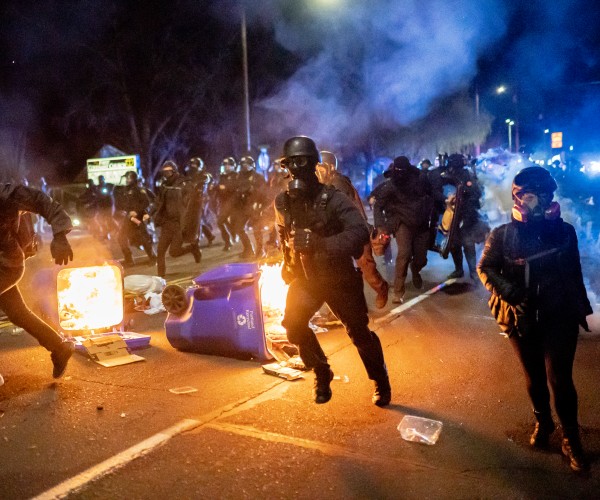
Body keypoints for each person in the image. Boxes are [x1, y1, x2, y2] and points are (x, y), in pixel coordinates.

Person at [478, 166, 593, 473]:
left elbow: (574, 272)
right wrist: (510, 292)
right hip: (521, 317)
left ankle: (571, 439)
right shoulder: (501, 235)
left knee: (561, 379)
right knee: (534, 378)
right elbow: (485, 268)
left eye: (546, 196)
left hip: (559, 315)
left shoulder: (564, 231)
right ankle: (543, 422)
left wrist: (579, 308)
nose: (540, 202)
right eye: (533, 196)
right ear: (518, 198)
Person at [275, 136, 391, 406]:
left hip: (338, 277)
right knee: (293, 326)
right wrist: (287, 262)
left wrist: (321, 244)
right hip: (306, 279)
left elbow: (359, 231)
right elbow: (283, 233)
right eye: (289, 164)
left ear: (314, 164)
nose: (294, 169)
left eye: (300, 162)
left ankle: (380, 380)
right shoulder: (283, 201)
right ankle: (321, 370)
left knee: (359, 334)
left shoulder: (333, 198)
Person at [0, 182, 75, 378]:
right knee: (17, 313)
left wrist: (60, 235)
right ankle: (59, 348)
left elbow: (42, 201)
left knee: (18, 312)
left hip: (6, 264)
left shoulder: (5, 195)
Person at [317, 151, 389, 309]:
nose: (317, 172)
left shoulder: (338, 184)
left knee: (367, 268)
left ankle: (382, 288)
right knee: (335, 271)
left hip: (356, 231)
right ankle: (339, 309)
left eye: (320, 168)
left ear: (329, 167)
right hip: (339, 234)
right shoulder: (323, 185)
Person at [371, 156, 434, 304]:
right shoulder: (391, 185)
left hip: (421, 223)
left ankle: (416, 270)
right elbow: (378, 206)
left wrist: (431, 210)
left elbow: (431, 195)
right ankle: (398, 292)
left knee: (421, 259)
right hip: (402, 223)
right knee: (404, 254)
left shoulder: (421, 179)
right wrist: (380, 226)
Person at [441, 153, 487, 281]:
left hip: (466, 213)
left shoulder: (467, 175)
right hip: (452, 214)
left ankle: (473, 271)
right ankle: (459, 269)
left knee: (467, 242)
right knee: (454, 243)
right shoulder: (447, 175)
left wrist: (464, 195)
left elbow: (476, 193)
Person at [151, 161, 201, 278]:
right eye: (164, 172)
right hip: (166, 223)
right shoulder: (164, 185)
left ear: (174, 171)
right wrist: (150, 213)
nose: (166, 174)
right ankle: (161, 277)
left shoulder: (184, 183)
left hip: (179, 224)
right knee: (160, 251)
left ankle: (192, 248)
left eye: (168, 171)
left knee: (174, 252)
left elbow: (192, 200)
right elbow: (159, 201)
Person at [112, 170, 156, 267]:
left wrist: (136, 211)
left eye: (128, 178)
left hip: (138, 218)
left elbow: (146, 202)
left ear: (133, 179)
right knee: (121, 238)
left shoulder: (139, 189)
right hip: (128, 219)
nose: (126, 180)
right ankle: (129, 259)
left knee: (144, 238)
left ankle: (153, 258)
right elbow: (124, 203)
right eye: (126, 178)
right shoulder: (125, 190)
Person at [231, 156, 269, 259]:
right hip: (243, 207)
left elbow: (264, 192)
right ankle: (248, 249)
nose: (245, 166)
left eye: (247, 164)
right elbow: (234, 191)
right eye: (243, 164)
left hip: (255, 206)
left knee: (257, 229)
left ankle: (260, 250)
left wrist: (259, 204)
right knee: (239, 228)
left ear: (252, 165)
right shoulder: (239, 177)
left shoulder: (258, 177)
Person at [215, 157, 238, 251]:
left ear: (233, 166)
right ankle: (228, 241)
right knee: (221, 221)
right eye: (224, 165)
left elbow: (236, 188)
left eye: (228, 165)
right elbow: (219, 188)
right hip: (224, 203)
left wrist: (226, 187)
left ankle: (233, 236)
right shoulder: (222, 176)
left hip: (234, 203)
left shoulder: (236, 175)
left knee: (233, 222)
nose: (226, 167)